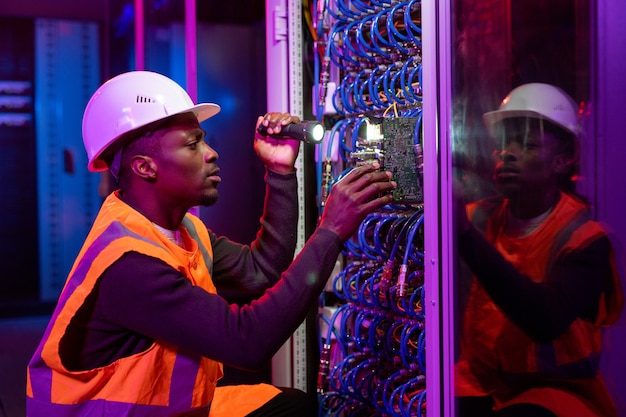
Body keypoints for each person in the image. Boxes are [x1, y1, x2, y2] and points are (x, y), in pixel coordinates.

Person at [26, 70, 397, 417]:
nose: (211, 153)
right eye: (192, 144)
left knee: (289, 407)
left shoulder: (174, 231)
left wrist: (280, 171)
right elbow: (248, 342)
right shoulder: (129, 264)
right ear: (145, 167)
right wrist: (330, 230)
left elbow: (261, 271)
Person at [454, 83, 624, 417]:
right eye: (503, 143)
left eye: (528, 144)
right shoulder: (480, 217)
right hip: (483, 386)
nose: (507, 153)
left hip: (559, 395)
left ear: (563, 160)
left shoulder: (587, 239)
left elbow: (544, 318)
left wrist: (463, 235)